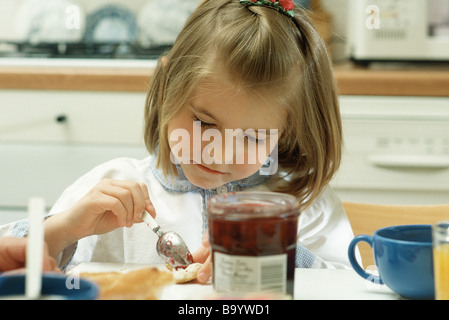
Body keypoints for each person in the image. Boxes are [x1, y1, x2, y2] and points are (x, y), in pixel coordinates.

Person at [0, 0, 357, 283]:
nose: (220, 152)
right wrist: (62, 230)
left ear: (287, 131)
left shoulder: (303, 205)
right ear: (169, 86)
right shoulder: (111, 187)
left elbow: (352, 288)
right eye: (204, 122)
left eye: (251, 137)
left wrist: (282, 253)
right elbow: (12, 266)